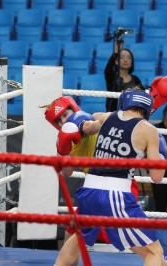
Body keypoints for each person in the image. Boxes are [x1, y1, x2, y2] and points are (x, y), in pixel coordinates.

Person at [53, 77, 167, 266]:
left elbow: (87, 127)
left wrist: (76, 123)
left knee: (77, 239)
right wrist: (161, 153)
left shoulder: (107, 117)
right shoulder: (149, 131)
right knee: (155, 251)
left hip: (89, 192)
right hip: (116, 195)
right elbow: (157, 177)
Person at [43, 96, 140, 263]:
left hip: (120, 185)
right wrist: (62, 152)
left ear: (75, 110)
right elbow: (67, 172)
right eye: (60, 121)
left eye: (66, 115)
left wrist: (88, 122)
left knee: (134, 239)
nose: (65, 121)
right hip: (96, 189)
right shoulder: (68, 141)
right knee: (71, 234)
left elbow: (109, 119)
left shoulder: (94, 117)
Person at [104, 40, 142, 112]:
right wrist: (116, 52)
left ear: (132, 61)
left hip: (131, 114)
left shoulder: (136, 79)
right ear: (116, 61)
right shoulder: (112, 77)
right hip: (113, 114)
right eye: (121, 57)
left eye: (128, 58)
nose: (125, 60)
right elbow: (107, 70)